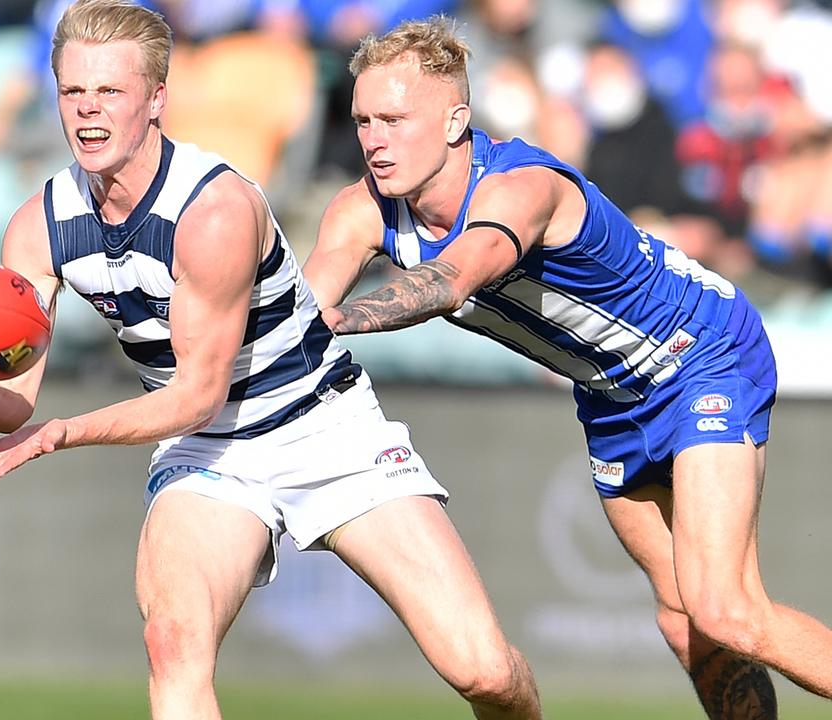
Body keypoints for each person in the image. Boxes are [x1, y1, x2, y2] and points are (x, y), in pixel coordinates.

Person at [0, 1, 541, 718]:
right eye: (73, 92)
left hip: (322, 427)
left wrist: (65, 433)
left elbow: (194, 391)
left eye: (110, 93)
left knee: (485, 674)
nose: (88, 113)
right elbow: (16, 399)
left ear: (156, 99)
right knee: (172, 643)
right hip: (206, 451)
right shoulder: (40, 227)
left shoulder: (213, 211)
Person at [303, 17, 832, 719]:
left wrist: (338, 322)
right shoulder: (358, 212)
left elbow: (449, 280)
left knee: (727, 609)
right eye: (364, 118)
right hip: (611, 395)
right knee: (683, 623)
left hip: (700, 355)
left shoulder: (521, 189)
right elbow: (297, 314)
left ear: (457, 119)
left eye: (396, 118)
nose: (374, 138)